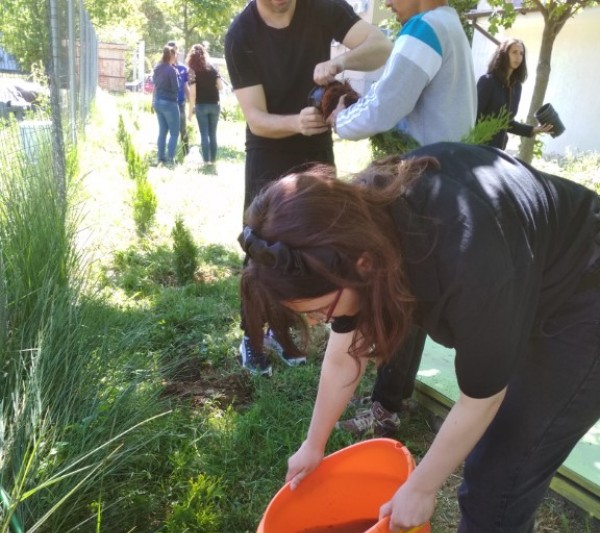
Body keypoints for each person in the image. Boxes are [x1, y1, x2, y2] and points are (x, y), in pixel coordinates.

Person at [239, 142, 600, 533]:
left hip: (585, 296)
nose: (321, 324)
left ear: (360, 265)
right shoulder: (353, 231)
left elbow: (482, 397)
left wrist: (422, 486)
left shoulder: (467, 254)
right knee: (512, 455)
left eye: (319, 311)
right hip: (531, 278)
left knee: (504, 462)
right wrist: (312, 445)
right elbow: (344, 356)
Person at [326, 0, 477, 437]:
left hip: (420, 187)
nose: (388, 2)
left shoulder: (424, 27)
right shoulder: (450, 24)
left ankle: (386, 406)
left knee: (402, 295)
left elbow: (386, 106)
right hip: (446, 180)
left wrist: (340, 121)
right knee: (414, 293)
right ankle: (391, 396)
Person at [225, 0, 392, 376]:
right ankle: (252, 338)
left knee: (322, 243)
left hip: (316, 148)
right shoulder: (241, 35)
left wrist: (340, 63)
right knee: (261, 252)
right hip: (268, 149)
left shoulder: (322, 8)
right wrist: (296, 123)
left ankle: (287, 333)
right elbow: (256, 119)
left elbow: (381, 45)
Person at [477, 38, 552, 150]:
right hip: (478, 146)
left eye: (521, 53)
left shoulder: (516, 87)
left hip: (498, 151)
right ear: (503, 54)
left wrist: (534, 130)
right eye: (514, 52)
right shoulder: (487, 81)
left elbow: (507, 123)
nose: (518, 57)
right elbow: (473, 115)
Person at [186, 43, 223, 166]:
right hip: (214, 104)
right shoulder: (213, 67)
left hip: (201, 105)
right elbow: (221, 86)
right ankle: (213, 161)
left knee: (204, 134)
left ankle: (206, 161)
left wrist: (190, 111)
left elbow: (193, 93)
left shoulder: (192, 70)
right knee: (213, 134)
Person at [152, 45, 180, 166]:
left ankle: (160, 157)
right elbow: (176, 88)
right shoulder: (171, 70)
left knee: (162, 131)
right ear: (172, 56)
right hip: (170, 103)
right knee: (174, 132)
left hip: (158, 101)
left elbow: (155, 84)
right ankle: (170, 159)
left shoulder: (157, 68)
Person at [167, 40, 191, 156]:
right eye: (170, 49)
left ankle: (186, 152)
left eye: (174, 49)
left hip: (180, 103)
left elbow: (186, 87)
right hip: (168, 103)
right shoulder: (163, 67)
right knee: (167, 129)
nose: (172, 52)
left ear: (177, 51)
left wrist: (192, 103)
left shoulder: (183, 68)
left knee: (182, 129)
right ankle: (169, 153)